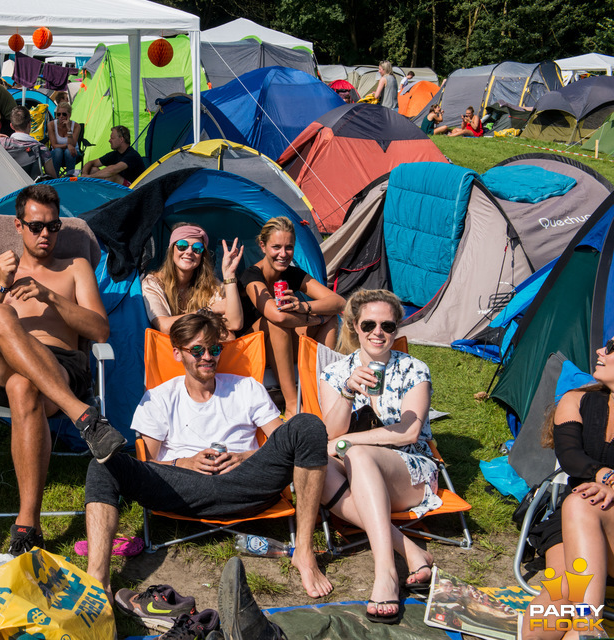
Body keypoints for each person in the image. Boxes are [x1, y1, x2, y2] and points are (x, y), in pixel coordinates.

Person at [84, 311, 333, 602]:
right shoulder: (160, 397)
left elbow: (281, 442)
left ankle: (303, 552)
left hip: (246, 483)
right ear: (177, 353)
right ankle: (97, 581)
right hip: (184, 488)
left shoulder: (246, 388)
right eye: (197, 350)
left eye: (214, 349)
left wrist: (244, 457)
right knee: (103, 464)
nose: (207, 357)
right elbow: (146, 464)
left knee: (308, 425)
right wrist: (184, 462)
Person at [0, 184, 126, 555]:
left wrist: (50, 296)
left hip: (60, 364)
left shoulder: (75, 268)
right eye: (36, 226)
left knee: (24, 386)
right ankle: (83, 416)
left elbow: (99, 329)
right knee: (0, 314)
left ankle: (27, 523)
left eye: (53, 227)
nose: (46, 234)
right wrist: (2, 286)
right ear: (18, 226)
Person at [318, 289, 439, 624]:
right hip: (354, 469)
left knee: (355, 453)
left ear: (396, 330)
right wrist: (346, 392)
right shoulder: (336, 373)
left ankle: (385, 571)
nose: (378, 332)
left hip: (408, 469)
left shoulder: (414, 369)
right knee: (318, 465)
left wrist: (348, 442)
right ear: (355, 326)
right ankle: (410, 550)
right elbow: (329, 436)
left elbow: (408, 432)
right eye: (369, 323)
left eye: (387, 326)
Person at [519, 337, 614, 639]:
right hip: (574, 518)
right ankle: (587, 626)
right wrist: (603, 475)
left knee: (578, 504)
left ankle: (587, 623)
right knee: (564, 586)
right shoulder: (576, 400)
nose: (600, 351)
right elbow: (571, 456)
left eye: (611, 348)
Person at [240, 217, 344, 413]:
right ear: (263, 246)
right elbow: (276, 316)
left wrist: (304, 307)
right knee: (275, 322)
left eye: (289, 247)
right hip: (250, 349)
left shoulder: (291, 273)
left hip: (280, 344)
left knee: (329, 318)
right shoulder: (252, 275)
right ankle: (291, 406)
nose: (283, 254)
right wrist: (313, 318)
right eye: (276, 247)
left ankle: (321, 392)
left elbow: (338, 302)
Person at [141, 223, 243, 335]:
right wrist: (209, 310)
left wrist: (229, 275)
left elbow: (234, 324)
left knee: (229, 336)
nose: (189, 252)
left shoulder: (211, 285)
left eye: (197, 248)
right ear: (171, 249)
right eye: (182, 245)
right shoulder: (153, 283)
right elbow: (164, 327)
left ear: (202, 255)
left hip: (201, 348)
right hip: (166, 348)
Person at [0, 105, 57, 178]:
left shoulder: (2, 143)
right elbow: (53, 177)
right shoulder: (41, 148)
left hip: (8, 186)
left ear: (11, 126)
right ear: (29, 124)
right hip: (31, 187)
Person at [81, 125, 145, 186]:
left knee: (112, 176)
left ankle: (104, 195)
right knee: (93, 170)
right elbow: (91, 163)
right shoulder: (114, 154)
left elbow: (112, 170)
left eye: (112, 138)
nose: (109, 140)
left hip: (135, 189)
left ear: (121, 139)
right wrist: (84, 174)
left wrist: (89, 177)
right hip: (122, 187)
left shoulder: (132, 155)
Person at [47, 101, 80, 175]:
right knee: (58, 151)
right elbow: (54, 145)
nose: (61, 116)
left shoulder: (76, 126)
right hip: (57, 153)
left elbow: (73, 145)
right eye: (59, 114)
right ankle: (55, 176)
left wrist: (69, 130)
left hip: (73, 152)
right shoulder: (51, 125)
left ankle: (70, 176)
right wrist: (67, 145)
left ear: (69, 115)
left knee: (68, 152)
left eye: (64, 114)